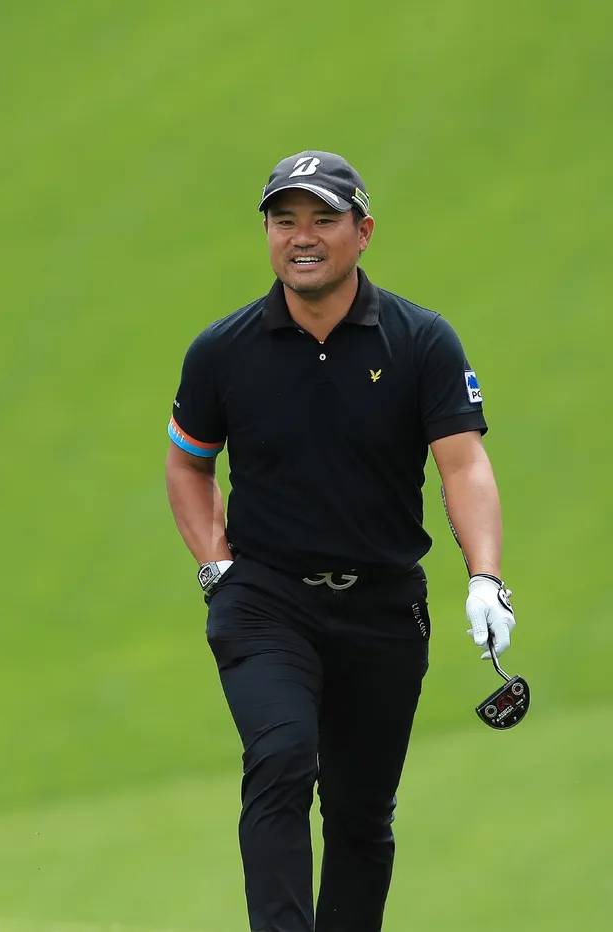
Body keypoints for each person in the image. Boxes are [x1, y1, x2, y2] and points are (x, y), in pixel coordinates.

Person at [163, 151, 516, 932]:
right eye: (284, 220)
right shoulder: (223, 351)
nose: (302, 236)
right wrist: (217, 568)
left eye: (323, 219)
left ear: (364, 232)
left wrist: (485, 577)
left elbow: (463, 464)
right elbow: (188, 463)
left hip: (384, 607)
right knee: (282, 757)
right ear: (267, 234)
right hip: (266, 600)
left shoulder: (421, 341)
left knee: (360, 815)